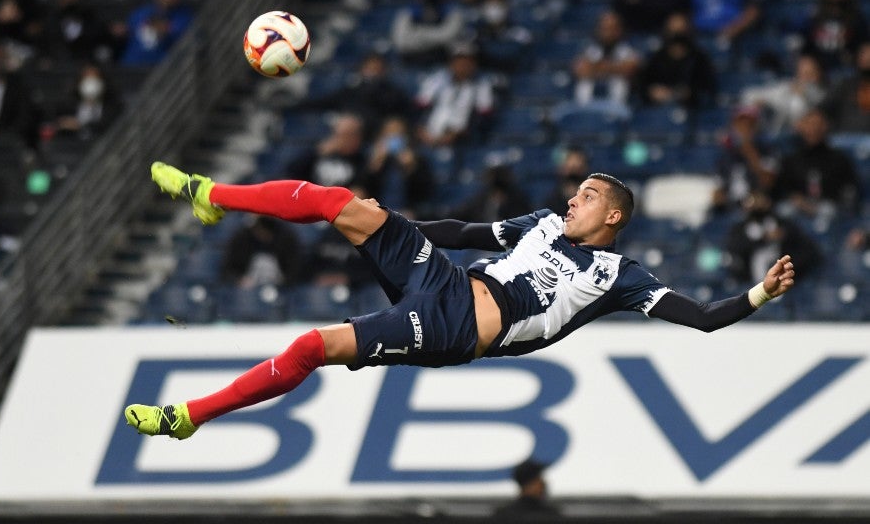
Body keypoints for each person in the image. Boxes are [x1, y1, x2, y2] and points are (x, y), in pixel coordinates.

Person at [124, 161, 796, 440]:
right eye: (576, 191)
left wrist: (762, 291)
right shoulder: (539, 221)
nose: (572, 199)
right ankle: (212, 197)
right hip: (440, 277)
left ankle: (190, 416)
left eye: (587, 195)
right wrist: (394, 224)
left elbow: (705, 319)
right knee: (338, 202)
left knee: (312, 346)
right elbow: (461, 233)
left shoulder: (621, 274)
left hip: (453, 324)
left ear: (614, 215)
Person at [771, 109, 861, 219]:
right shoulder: (791, 160)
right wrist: (796, 199)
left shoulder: (839, 159)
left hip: (828, 209)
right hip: (799, 209)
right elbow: (782, 189)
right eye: (809, 124)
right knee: (783, 211)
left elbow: (850, 190)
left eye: (818, 125)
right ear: (801, 128)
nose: (814, 129)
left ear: (825, 127)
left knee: (829, 211)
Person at [415, 42, 495, 147]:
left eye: (467, 61)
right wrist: (420, 130)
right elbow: (418, 109)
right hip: (428, 136)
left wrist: (458, 134)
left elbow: (483, 118)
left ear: (474, 64)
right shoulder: (437, 80)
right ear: (451, 63)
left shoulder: (482, 85)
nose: (462, 65)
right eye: (458, 61)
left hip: (461, 141)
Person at [637, 11, 717, 109]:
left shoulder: (699, 57)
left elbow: (708, 89)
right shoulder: (656, 58)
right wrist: (652, 92)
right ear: (667, 31)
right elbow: (643, 87)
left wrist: (690, 93)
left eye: (681, 33)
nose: (677, 38)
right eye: (674, 32)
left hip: (691, 109)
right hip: (658, 109)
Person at [710, 104, 777, 214]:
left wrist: (748, 149)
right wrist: (719, 196)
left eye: (750, 124)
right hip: (731, 208)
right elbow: (718, 186)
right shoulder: (726, 154)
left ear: (756, 126)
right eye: (741, 124)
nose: (744, 128)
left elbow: (767, 181)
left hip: (759, 209)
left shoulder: (767, 151)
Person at [119, 0, 194, 66]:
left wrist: (166, 30)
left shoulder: (186, 18)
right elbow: (130, 32)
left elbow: (187, 41)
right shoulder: (140, 13)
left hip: (163, 71)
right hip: (132, 67)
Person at [740, 53, 826, 135]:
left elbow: (799, 115)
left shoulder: (822, 95)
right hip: (777, 130)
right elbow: (750, 94)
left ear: (819, 73)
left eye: (810, 73)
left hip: (801, 135)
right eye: (802, 72)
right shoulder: (788, 85)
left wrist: (800, 95)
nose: (806, 77)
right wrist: (760, 101)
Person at [390, 0, 465, 67]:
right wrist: (437, 36)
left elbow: (449, 37)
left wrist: (418, 33)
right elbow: (400, 42)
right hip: (411, 62)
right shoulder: (406, 12)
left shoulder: (453, 11)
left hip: (443, 64)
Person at [572, 10, 641, 110]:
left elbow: (629, 69)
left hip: (618, 108)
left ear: (620, 30)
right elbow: (581, 70)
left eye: (612, 28)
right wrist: (616, 68)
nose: (608, 33)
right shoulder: (589, 50)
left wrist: (594, 68)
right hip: (585, 108)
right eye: (604, 29)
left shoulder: (628, 51)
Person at [801, 0, 868, 71]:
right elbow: (805, 47)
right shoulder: (813, 17)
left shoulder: (858, 18)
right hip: (817, 70)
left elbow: (863, 46)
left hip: (851, 70)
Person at [220, 216, 303, 289]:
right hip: (247, 292)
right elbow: (228, 270)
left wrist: (284, 281)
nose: (263, 235)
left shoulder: (287, 238)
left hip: (282, 289)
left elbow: (295, 270)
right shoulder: (241, 238)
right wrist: (239, 280)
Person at [821, 41, 870, 133]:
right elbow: (824, 108)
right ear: (858, 58)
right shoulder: (844, 85)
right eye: (864, 54)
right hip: (844, 137)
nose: (868, 58)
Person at [493, 459, 560, 519]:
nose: (543, 483)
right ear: (530, 484)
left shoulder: (503, 515)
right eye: (539, 479)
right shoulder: (551, 517)